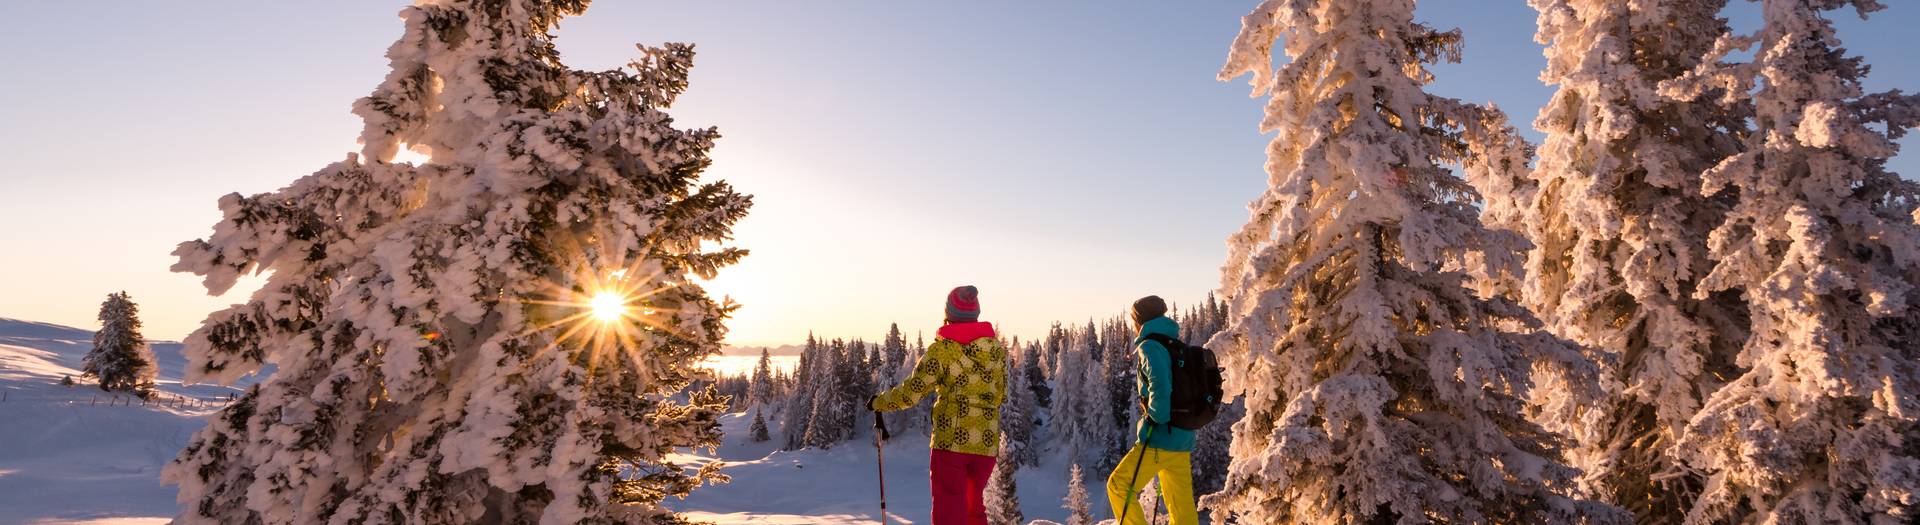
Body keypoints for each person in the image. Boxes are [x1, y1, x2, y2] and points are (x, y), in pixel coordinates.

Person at [870, 285, 1008, 525]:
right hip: (986, 443)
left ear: (949, 313)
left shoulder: (942, 350)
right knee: (973, 510)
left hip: (951, 443)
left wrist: (879, 402)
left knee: (949, 510)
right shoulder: (995, 351)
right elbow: (999, 396)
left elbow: (911, 394)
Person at [1106, 295, 1196, 525]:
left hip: (1159, 437)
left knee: (1118, 485)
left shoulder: (1149, 346)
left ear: (1140, 321)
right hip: (1182, 437)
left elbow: (1161, 385)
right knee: (1182, 509)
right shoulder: (1173, 343)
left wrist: (1156, 419)